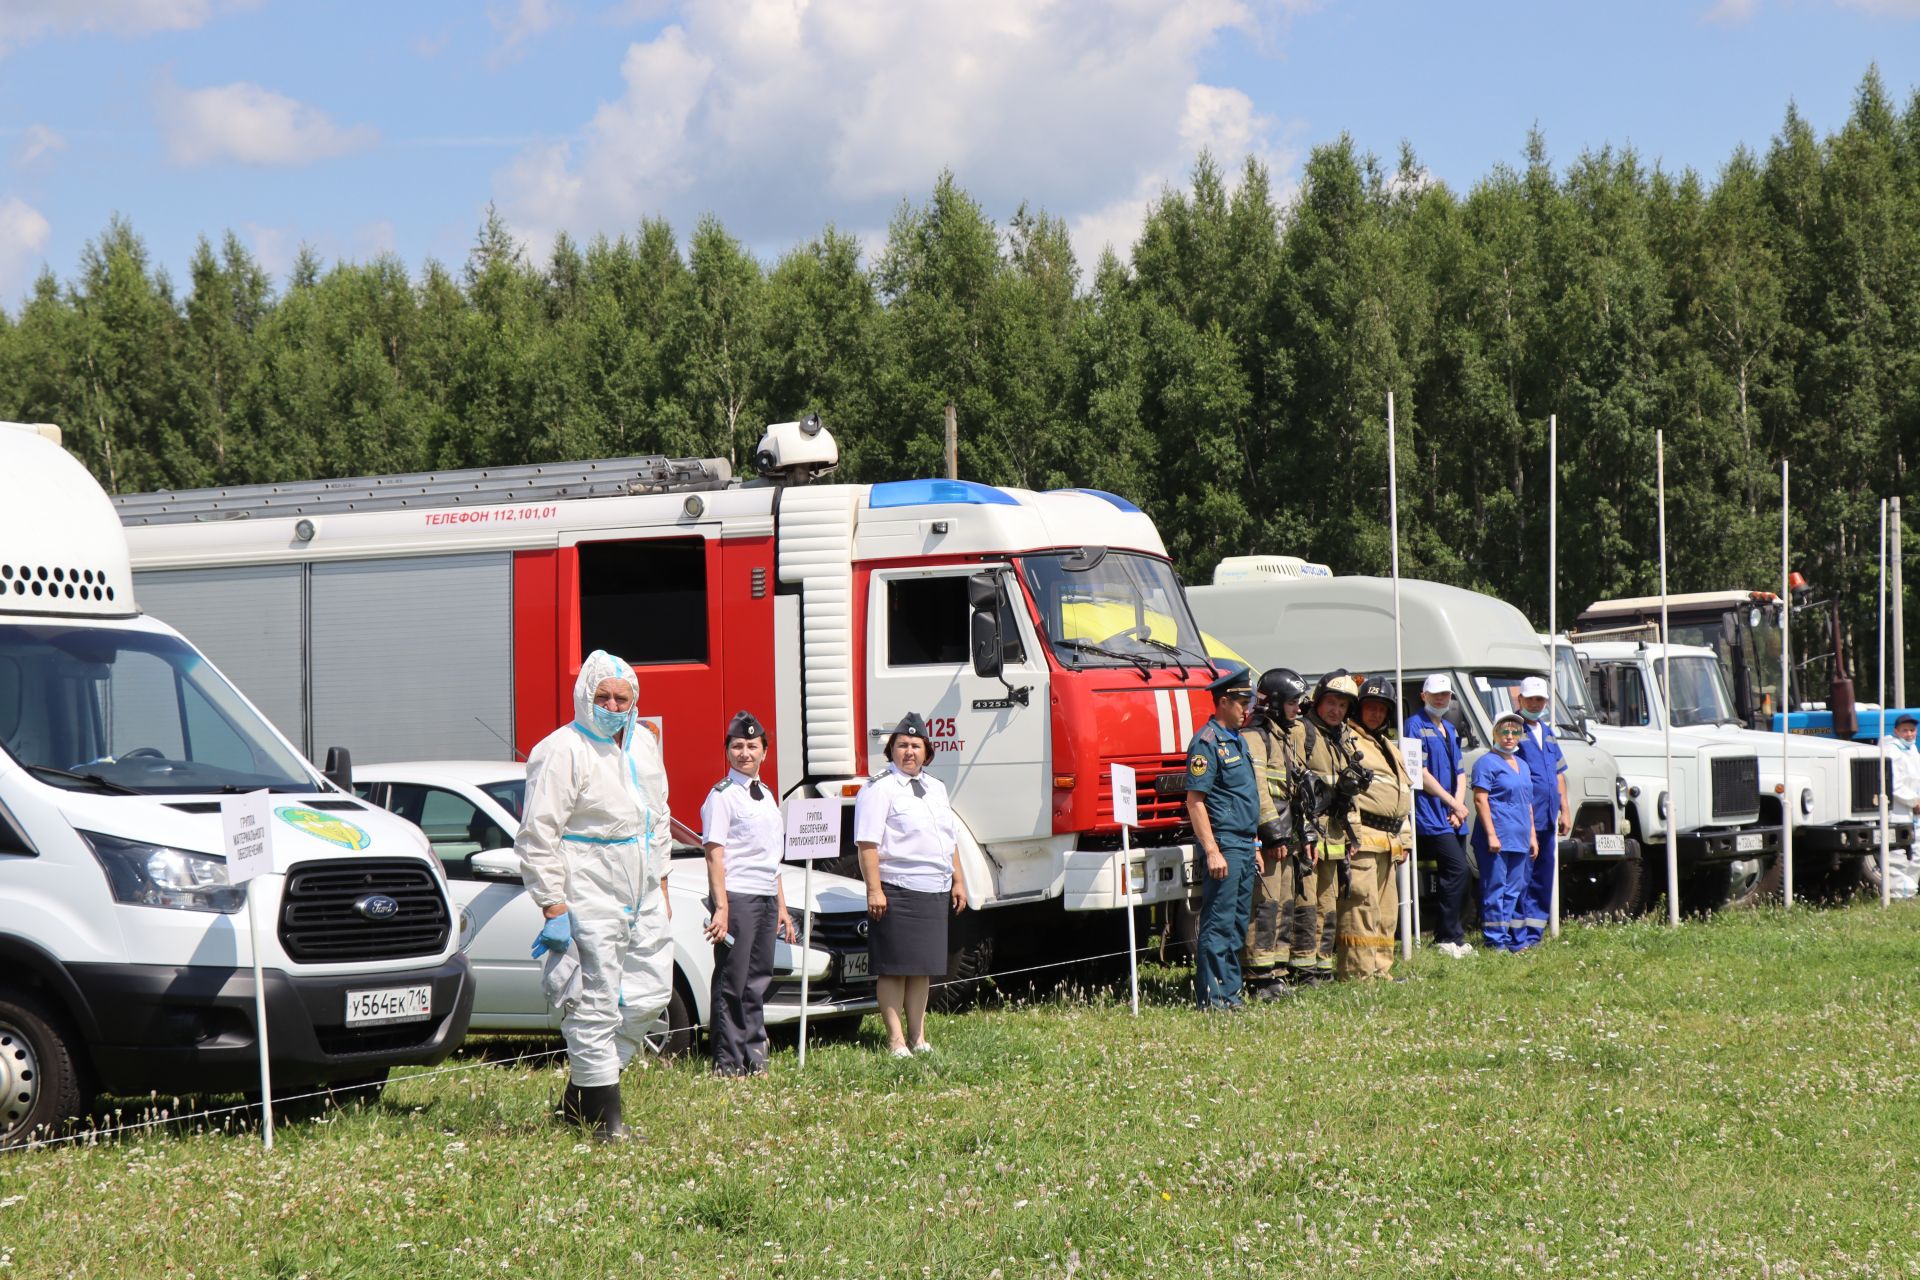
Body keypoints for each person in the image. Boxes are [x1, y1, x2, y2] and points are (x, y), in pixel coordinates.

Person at [518, 650, 674, 1141]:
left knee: (650, 994)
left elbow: (660, 817)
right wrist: (553, 905)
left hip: (642, 889)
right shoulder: (561, 750)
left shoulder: (643, 746)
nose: (611, 705)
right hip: (588, 888)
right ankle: (606, 1121)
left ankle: (578, 1098)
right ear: (585, 695)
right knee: (593, 1003)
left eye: (620, 698)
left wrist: (661, 881)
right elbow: (537, 834)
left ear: (634, 701)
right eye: (602, 696)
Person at [854, 712, 967, 1057]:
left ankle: (918, 1037)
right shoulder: (878, 789)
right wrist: (875, 889)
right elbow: (868, 844)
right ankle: (895, 1040)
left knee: (922, 969)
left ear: (927, 752)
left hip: (933, 888)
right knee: (894, 968)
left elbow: (949, 839)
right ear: (891, 750)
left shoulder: (936, 788)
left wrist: (958, 880)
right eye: (902, 745)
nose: (909, 751)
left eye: (916, 745)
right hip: (897, 889)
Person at [700, 710, 796, 1077]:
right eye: (737, 746)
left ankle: (754, 1059)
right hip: (737, 896)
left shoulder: (767, 795)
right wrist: (721, 908)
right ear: (727, 751)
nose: (745, 753)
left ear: (764, 752)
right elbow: (714, 854)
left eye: (752, 746)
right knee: (732, 981)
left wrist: (782, 907)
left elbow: (772, 857)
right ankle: (727, 1062)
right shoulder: (721, 796)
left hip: (765, 896)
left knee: (758, 980)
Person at [1184, 663, 1260, 1010]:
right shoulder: (1207, 743)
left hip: (1244, 843)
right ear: (1224, 701)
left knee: (1238, 923)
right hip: (1225, 843)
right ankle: (1213, 999)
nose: (1248, 709)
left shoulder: (1237, 742)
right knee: (1219, 922)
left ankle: (1231, 995)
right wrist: (1211, 850)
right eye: (1242, 702)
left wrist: (1255, 843)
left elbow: (1244, 797)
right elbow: (1195, 802)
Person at [1339, 676, 1414, 980]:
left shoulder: (1386, 745)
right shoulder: (1348, 740)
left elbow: (1402, 790)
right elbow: (1346, 793)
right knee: (1361, 909)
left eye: (1382, 709)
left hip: (1389, 841)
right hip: (1364, 840)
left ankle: (1381, 970)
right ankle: (1357, 974)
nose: (1376, 714)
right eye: (1370, 707)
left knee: (1385, 912)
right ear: (1359, 709)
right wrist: (1353, 835)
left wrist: (1405, 839)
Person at [1241, 667, 1309, 998]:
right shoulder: (1255, 737)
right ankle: (1257, 977)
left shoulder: (1282, 734)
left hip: (1287, 834)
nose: (1298, 709)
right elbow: (1258, 790)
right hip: (1270, 836)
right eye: (1294, 702)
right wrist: (1272, 833)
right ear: (1277, 702)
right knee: (1265, 906)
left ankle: (1277, 973)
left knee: (1283, 903)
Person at [1294, 670, 1362, 981]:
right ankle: (1303, 968)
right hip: (1309, 834)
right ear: (1318, 701)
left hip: (1335, 834)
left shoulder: (1344, 737)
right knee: (1306, 905)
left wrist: (1354, 834)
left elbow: (1348, 793)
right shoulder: (1303, 732)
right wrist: (1304, 831)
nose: (1336, 710)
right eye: (1331, 703)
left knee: (1328, 905)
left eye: (1343, 706)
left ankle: (1323, 968)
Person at [1405, 674, 1472, 958]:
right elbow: (1418, 773)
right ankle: (1445, 936)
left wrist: (1457, 805)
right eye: (1435, 694)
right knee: (1459, 870)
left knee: (1457, 875)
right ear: (1423, 696)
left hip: (1452, 816)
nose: (1440, 699)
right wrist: (1452, 804)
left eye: (1445, 695)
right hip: (1430, 817)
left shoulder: (1449, 727)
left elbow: (1460, 771)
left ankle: (1456, 937)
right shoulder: (1413, 726)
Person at [1512, 675, 1569, 950]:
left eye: (1540, 700)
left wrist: (1565, 810)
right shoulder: (1512, 730)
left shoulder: (1547, 731)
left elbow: (1559, 774)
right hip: (1524, 817)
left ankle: (1534, 934)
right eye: (1531, 699)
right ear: (1519, 700)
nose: (1536, 704)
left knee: (1543, 877)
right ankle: (1517, 936)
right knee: (1521, 876)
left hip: (1548, 817)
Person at [1472, 712, 1538, 951]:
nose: (1509, 737)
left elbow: (1527, 802)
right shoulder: (1486, 763)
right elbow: (1480, 799)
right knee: (1495, 889)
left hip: (1519, 837)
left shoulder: (1523, 764)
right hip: (1497, 837)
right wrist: (1491, 834)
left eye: (1515, 732)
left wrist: (1532, 836)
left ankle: (1505, 937)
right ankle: (1494, 942)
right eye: (1504, 731)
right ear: (1495, 733)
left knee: (1513, 890)